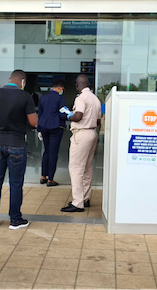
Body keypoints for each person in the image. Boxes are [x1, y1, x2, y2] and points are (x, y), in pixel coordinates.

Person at [0, 70, 38, 229]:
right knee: (15, 184)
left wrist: (0, 119)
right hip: (17, 145)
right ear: (22, 81)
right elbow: (33, 122)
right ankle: (15, 219)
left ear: (9, 80)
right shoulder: (25, 97)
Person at [61, 74, 101, 213]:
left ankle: (78, 203)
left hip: (82, 134)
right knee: (87, 168)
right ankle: (85, 198)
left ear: (77, 85)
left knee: (76, 168)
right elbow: (98, 121)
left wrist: (68, 116)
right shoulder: (95, 99)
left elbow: (78, 116)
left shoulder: (81, 98)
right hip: (92, 133)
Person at [37, 79, 68, 187]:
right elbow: (62, 114)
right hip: (56, 127)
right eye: (62, 89)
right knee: (53, 153)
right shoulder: (60, 98)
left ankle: (43, 176)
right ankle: (51, 179)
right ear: (59, 88)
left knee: (46, 151)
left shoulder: (43, 98)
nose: (62, 90)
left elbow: (40, 114)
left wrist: (39, 129)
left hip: (44, 126)